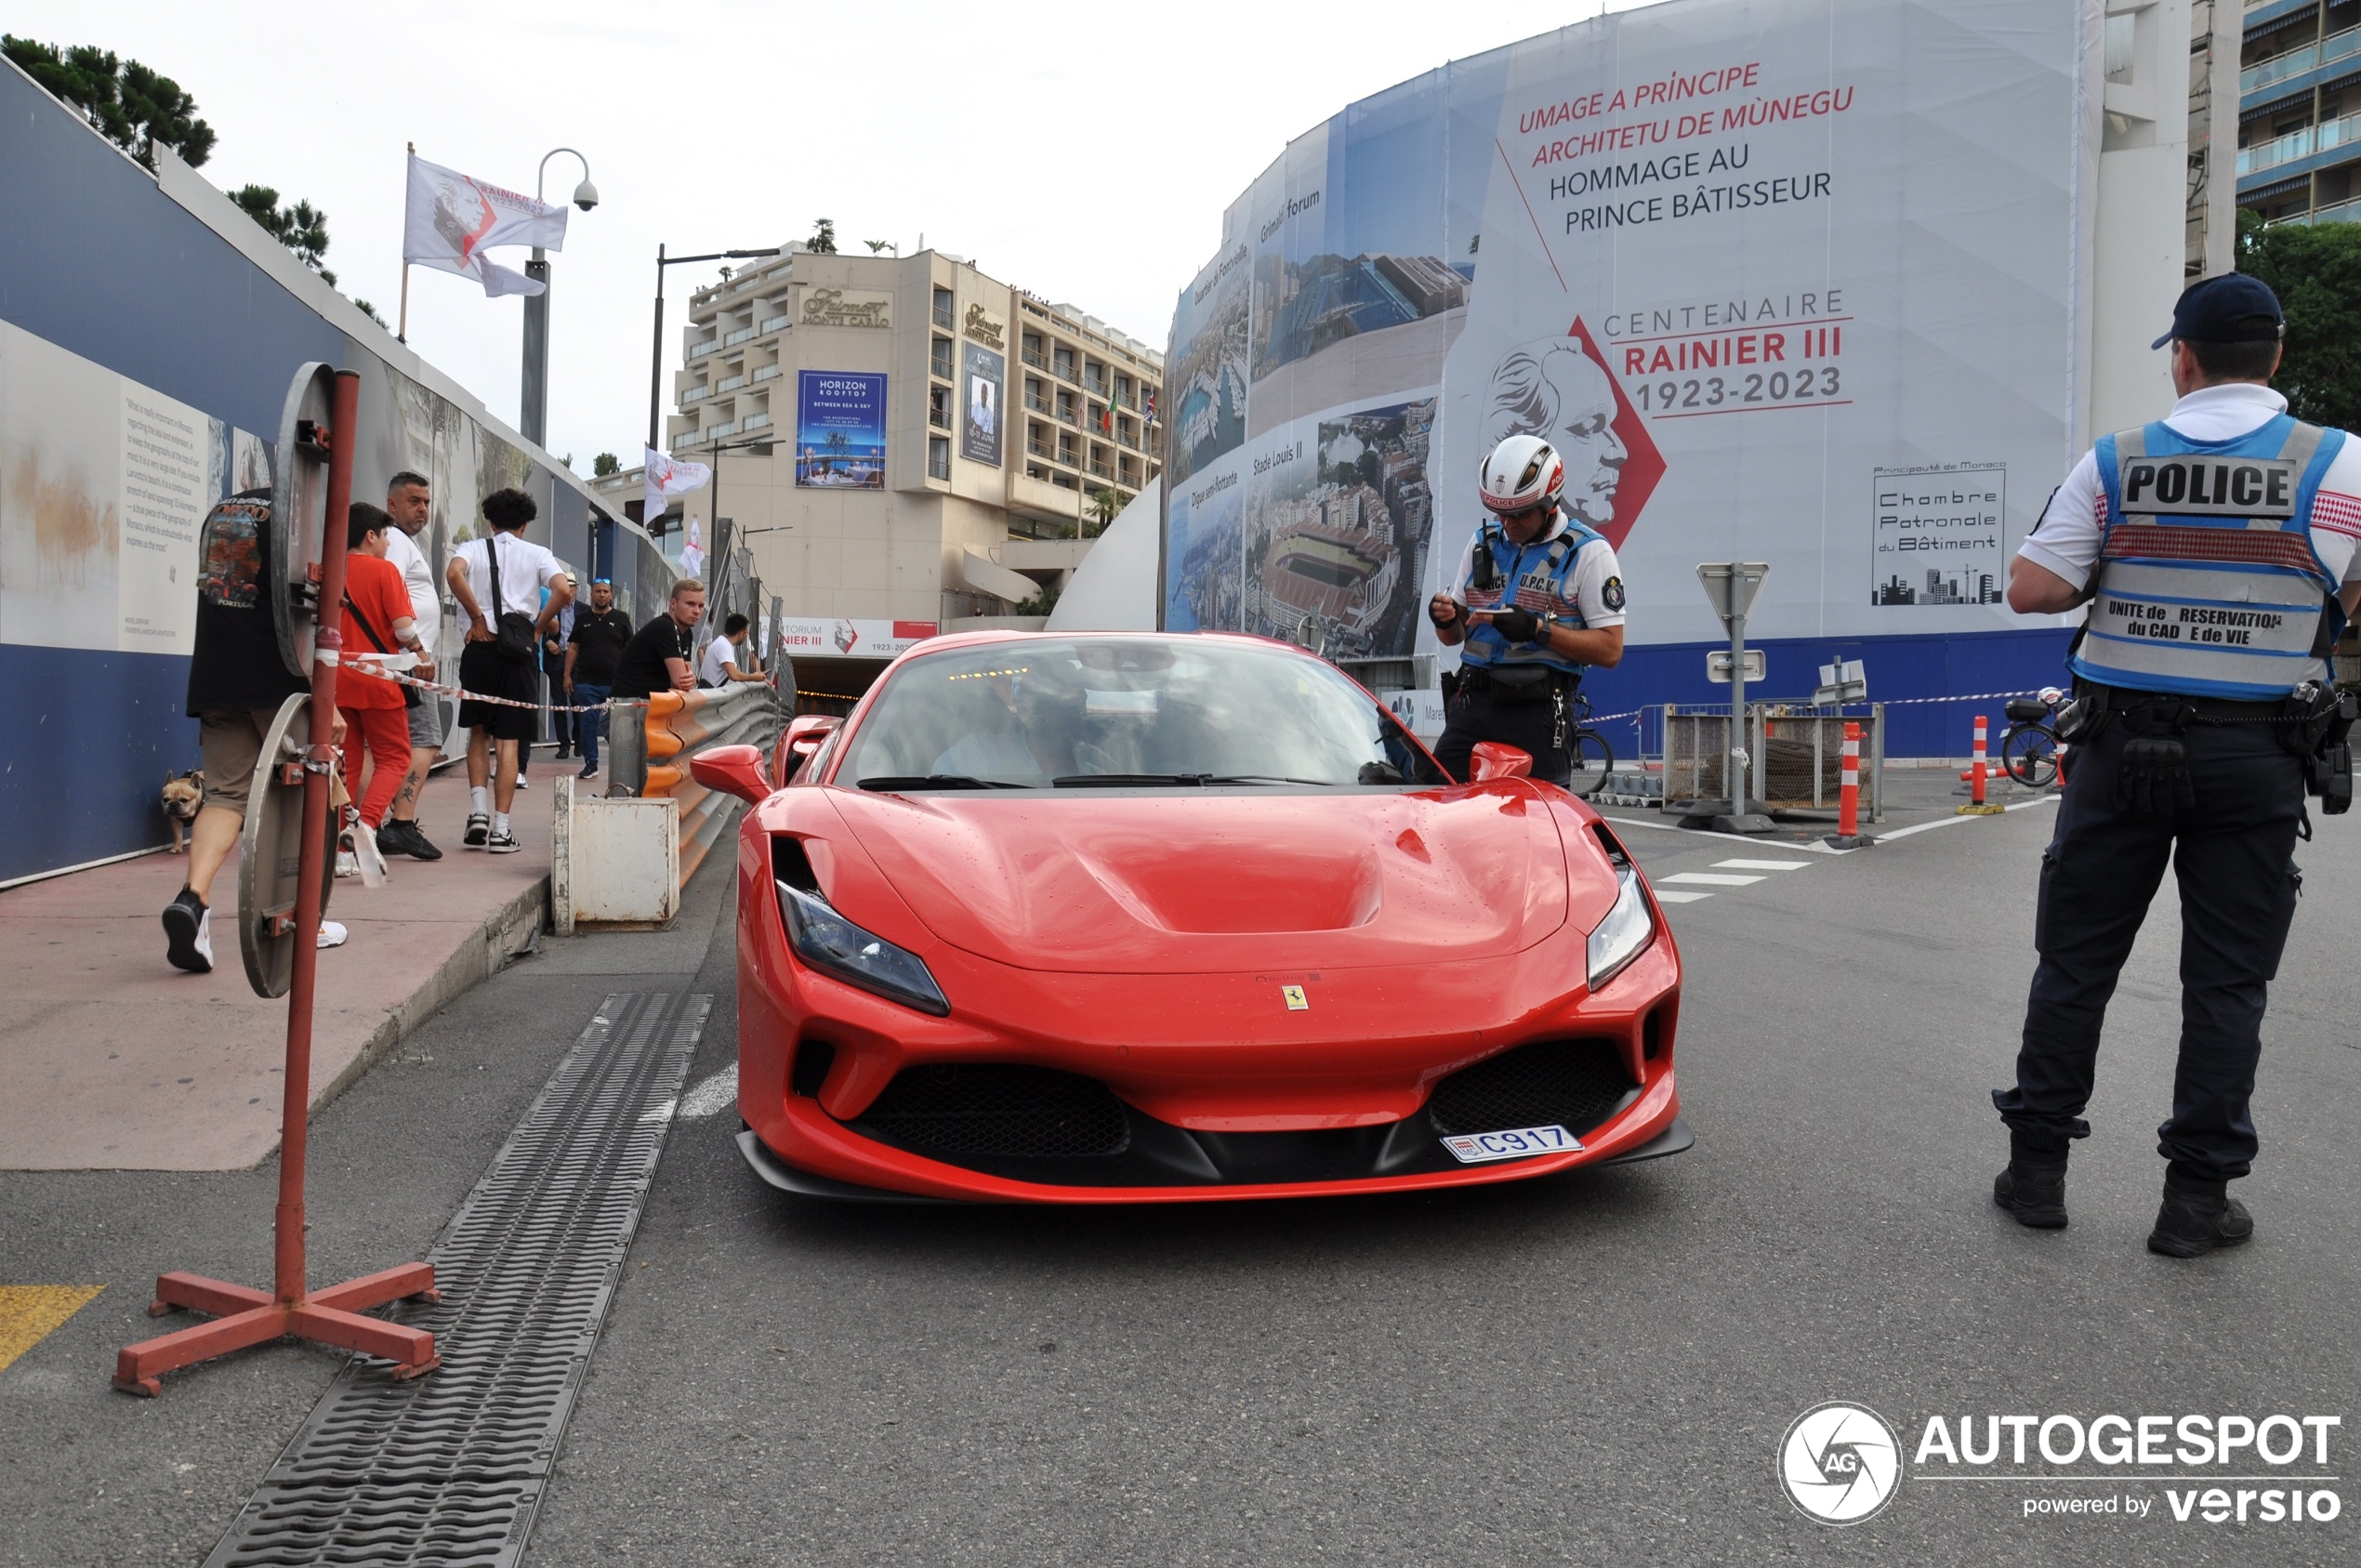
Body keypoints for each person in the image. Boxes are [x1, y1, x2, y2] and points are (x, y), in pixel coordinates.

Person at [1993, 272, 2361, 1258]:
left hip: (2118, 750)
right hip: (2255, 755)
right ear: (2275, 357)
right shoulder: (2339, 463)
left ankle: (2035, 1174)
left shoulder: (2113, 462)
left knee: (2073, 965)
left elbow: (2030, 588)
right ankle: (2194, 1201)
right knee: (2225, 986)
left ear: (2182, 359)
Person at [165, 490, 344, 972]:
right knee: (308, 786)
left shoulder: (221, 510)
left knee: (224, 795)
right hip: (279, 679)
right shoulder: (300, 516)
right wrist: (325, 700)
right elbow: (312, 608)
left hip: (216, 674)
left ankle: (193, 900)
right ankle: (307, 916)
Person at [1427, 433, 1628, 785]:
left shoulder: (1589, 553)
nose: (1508, 524)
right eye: (1500, 514)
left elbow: (1611, 650)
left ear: (1550, 503)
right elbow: (1453, 638)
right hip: (1471, 706)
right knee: (1435, 802)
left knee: (1534, 824)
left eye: (1519, 515)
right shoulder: (1481, 543)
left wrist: (1537, 631)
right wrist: (1443, 618)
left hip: (1538, 713)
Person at [446, 488, 570, 853]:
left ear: (491, 520)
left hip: (481, 648)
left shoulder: (472, 547)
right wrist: (536, 628)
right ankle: (501, 831)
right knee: (509, 740)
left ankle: (478, 813)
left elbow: (454, 574)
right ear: (525, 524)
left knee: (479, 734)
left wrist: (477, 616)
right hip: (519, 652)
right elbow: (562, 590)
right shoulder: (537, 553)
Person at [336, 504, 431, 867]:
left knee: (350, 762)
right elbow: (404, 628)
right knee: (395, 758)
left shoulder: (329, 569)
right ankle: (367, 828)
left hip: (338, 681)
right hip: (380, 680)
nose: (389, 543)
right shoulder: (384, 571)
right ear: (370, 535)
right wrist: (421, 654)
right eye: (386, 535)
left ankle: (344, 849)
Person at [376, 470, 445, 861]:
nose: (422, 509)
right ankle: (399, 823)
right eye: (414, 501)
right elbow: (390, 588)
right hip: (408, 664)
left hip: (403, 661)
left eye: (426, 503)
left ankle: (371, 824)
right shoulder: (397, 540)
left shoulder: (398, 541)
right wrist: (415, 649)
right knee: (427, 739)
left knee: (390, 747)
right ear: (392, 505)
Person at [565, 577, 634, 779]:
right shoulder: (583, 620)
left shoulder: (621, 618)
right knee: (588, 722)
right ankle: (591, 763)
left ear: (611, 595)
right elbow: (573, 648)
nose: (602, 595)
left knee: (619, 725)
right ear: (592, 594)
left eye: (605, 591)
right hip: (587, 683)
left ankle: (623, 763)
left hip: (615, 683)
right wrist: (567, 676)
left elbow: (630, 649)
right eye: (598, 591)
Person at [613, 578, 706, 702]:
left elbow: (686, 678)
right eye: (690, 604)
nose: (697, 611)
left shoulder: (687, 632)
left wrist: (693, 679)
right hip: (630, 706)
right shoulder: (665, 627)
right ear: (673, 604)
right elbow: (680, 683)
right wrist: (691, 679)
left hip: (652, 705)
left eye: (701, 606)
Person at [545, 573, 579, 761]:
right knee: (559, 704)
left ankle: (578, 740)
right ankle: (563, 745)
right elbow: (540, 629)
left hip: (577, 662)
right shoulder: (552, 608)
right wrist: (548, 642)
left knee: (577, 702)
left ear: (575, 589)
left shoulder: (583, 610)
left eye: (571, 587)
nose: (568, 590)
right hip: (557, 658)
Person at [698, 612, 761, 687]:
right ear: (741, 634)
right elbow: (734, 675)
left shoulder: (723, 642)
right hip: (716, 694)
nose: (746, 636)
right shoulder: (724, 645)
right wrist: (754, 677)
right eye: (746, 633)